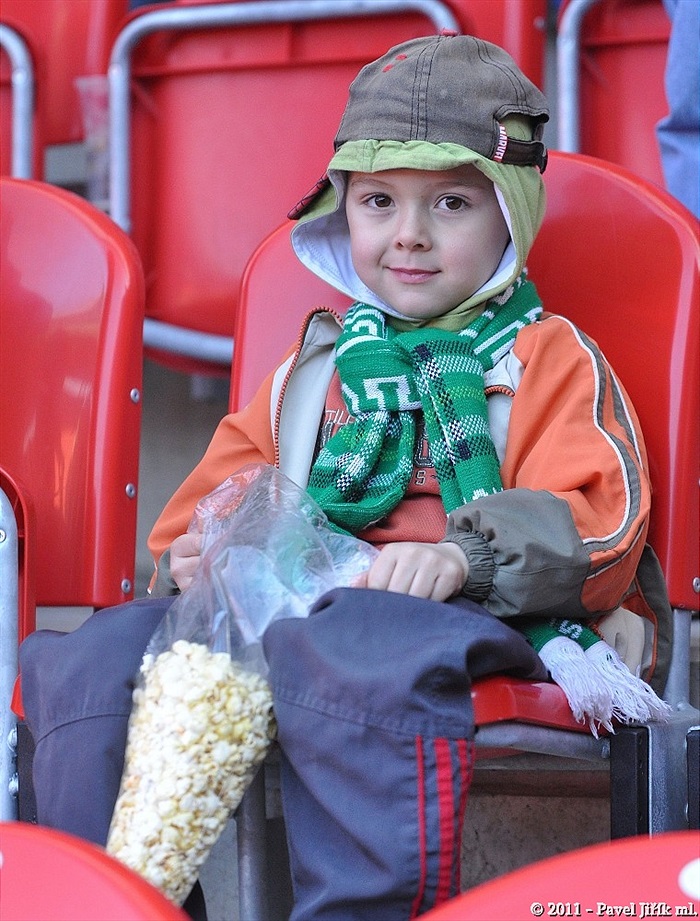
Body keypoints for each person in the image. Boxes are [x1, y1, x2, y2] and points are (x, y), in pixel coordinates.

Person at [19, 33, 672, 921]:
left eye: (451, 202)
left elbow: (598, 523)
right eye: (377, 202)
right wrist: (196, 552)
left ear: (512, 213)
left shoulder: (546, 357)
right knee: (93, 656)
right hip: (307, 618)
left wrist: (462, 557)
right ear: (344, 212)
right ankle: (112, 904)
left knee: (349, 640)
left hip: (487, 617)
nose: (409, 233)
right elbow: (209, 505)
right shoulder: (316, 368)